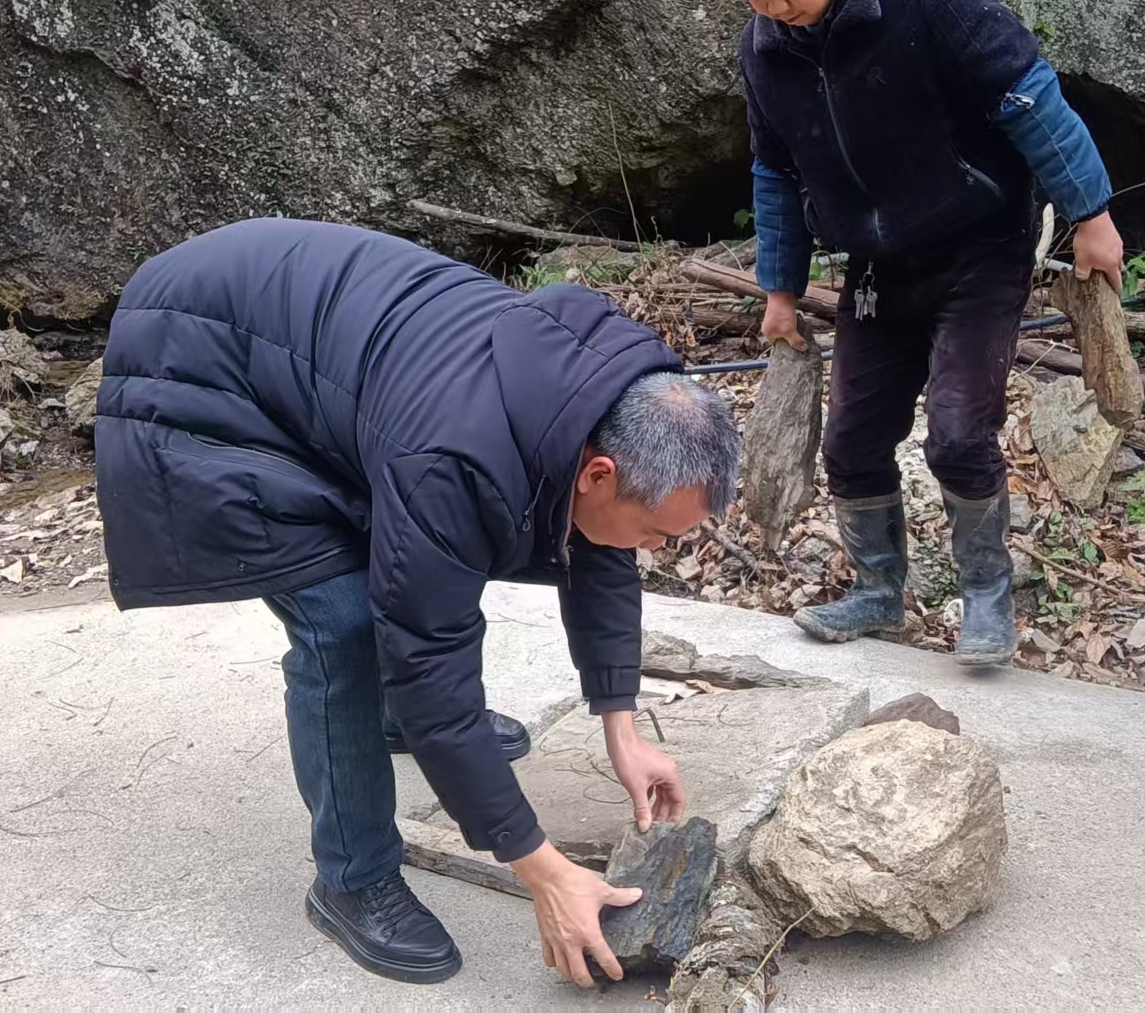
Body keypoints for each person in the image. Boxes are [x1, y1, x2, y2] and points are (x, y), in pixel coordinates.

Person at [91, 219, 740, 988]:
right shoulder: (454, 460)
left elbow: (598, 552)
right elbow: (428, 656)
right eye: (657, 532)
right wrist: (542, 869)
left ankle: (388, 723)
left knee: (420, 594)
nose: (656, 550)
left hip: (312, 344)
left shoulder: (612, 392)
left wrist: (620, 723)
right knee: (345, 629)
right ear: (598, 473)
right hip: (203, 361)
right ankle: (352, 878)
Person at [727, 0, 1124, 666]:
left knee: (956, 433)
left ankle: (987, 597)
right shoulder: (765, 49)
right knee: (852, 437)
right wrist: (779, 290)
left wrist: (1093, 214)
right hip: (878, 263)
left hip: (979, 241)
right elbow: (775, 172)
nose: (773, 4)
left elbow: (1030, 99)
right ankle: (878, 593)